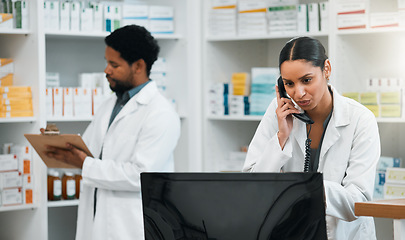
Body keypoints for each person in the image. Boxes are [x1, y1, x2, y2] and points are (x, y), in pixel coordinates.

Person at [45, 25, 181, 239]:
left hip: (129, 226)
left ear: (138, 66)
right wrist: (61, 144)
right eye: (107, 62)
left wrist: (85, 164)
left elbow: (140, 175)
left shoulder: (161, 113)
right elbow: (90, 150)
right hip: (97, 219)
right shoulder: (109, 105)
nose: (106, 70)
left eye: (114, 64)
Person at [242, 37, 380, 240]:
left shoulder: (360, 119)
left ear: (326, 69)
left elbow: (358, 201)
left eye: (307, 80)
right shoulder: (278, 111)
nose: (299, 93)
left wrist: (307, 188)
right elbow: (251, 187)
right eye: (289, 84)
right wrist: (281, 137)